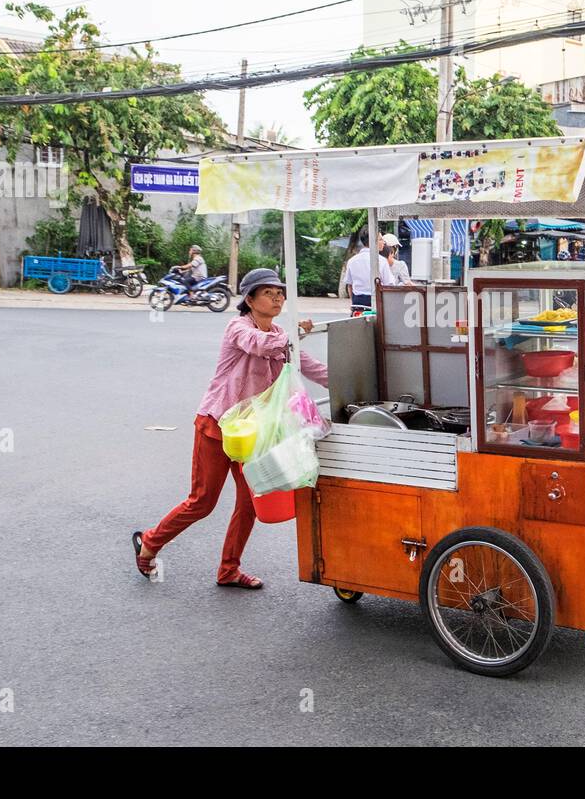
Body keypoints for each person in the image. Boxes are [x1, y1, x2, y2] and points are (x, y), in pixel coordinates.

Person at [134, 268, 329, 588]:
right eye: (268, 293)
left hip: (252, 433)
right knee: (202, 502)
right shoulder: (238, 327)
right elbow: (260, 345)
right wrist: (292, 333)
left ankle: (228, 570)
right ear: (249, 300)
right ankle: (150, 544)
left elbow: (313, 369)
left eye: (280, 292)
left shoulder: (282, 336)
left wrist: (358, 387)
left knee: (250, 501)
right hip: (216, 426)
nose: (278, 297)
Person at [344, 230, 401, 311]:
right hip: (376, 303)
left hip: (357, 304)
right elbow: (389, 284)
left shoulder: (352, 261)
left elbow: (349, 285)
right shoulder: (381, 261)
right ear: (374, 241)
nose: (384, 242)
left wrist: (353, 303)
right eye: (381, 239)